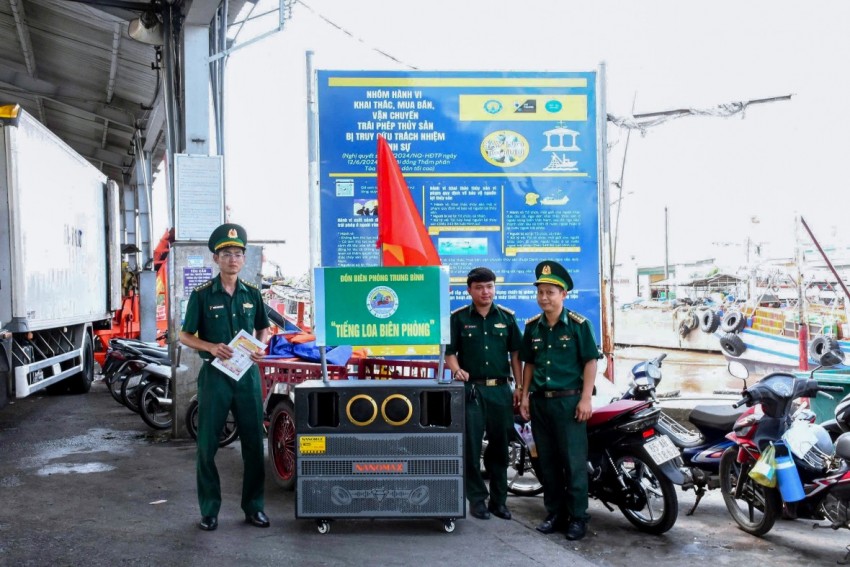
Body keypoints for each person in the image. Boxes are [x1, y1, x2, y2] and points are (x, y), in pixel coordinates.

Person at [179, 223, 272, 532]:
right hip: (215, 376)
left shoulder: (253, 294)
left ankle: (254, 507)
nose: (233, 259)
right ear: (215, 258)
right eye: (227, 253)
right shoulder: (202, 295)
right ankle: (209, 511)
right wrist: (210, 347)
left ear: (244, 259)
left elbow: (264, 327)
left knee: (253, 444)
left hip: (247, 377)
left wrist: (260, 346)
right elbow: (184, 335)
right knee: (207, 445)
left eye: (238, 253)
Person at [517, 261, 600, 541]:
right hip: (541, 403)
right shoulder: (533, 327)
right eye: (540, 292)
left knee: (573, 463)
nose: (544, 298)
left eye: (550, 292)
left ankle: (578, 517)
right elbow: (529, 363)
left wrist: (586, 399)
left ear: (563, 294)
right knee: (548, 462)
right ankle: (555, 513)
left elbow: (590, 362)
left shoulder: (579, 325)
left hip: (569, 403)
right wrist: (525, 396)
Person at [445, 267, 522, 521]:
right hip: (472, 391)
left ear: (494, 288)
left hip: (500, 390)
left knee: (500, 448)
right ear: (469, 290)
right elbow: (449, 352)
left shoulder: (507, 318)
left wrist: (520, 387)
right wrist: (456, 370)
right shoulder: (458, 318)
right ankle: (477, 499)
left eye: (489, 286)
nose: (485, 292)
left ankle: (499, 501)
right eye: (479, 287)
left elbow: (516, 354)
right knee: (471, 446)